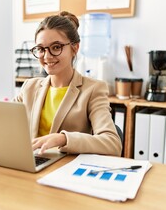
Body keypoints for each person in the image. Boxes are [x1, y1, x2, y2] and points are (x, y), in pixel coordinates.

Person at [14, 11, 122, 156]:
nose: (47, 56)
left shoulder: (93, 89)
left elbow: (112, 143)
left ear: (75, 48)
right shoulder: (29, 87)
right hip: (32, 165)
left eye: (56, 47)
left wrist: (63, 139)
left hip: (67, 171)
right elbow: (2, 122)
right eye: (40, 49)